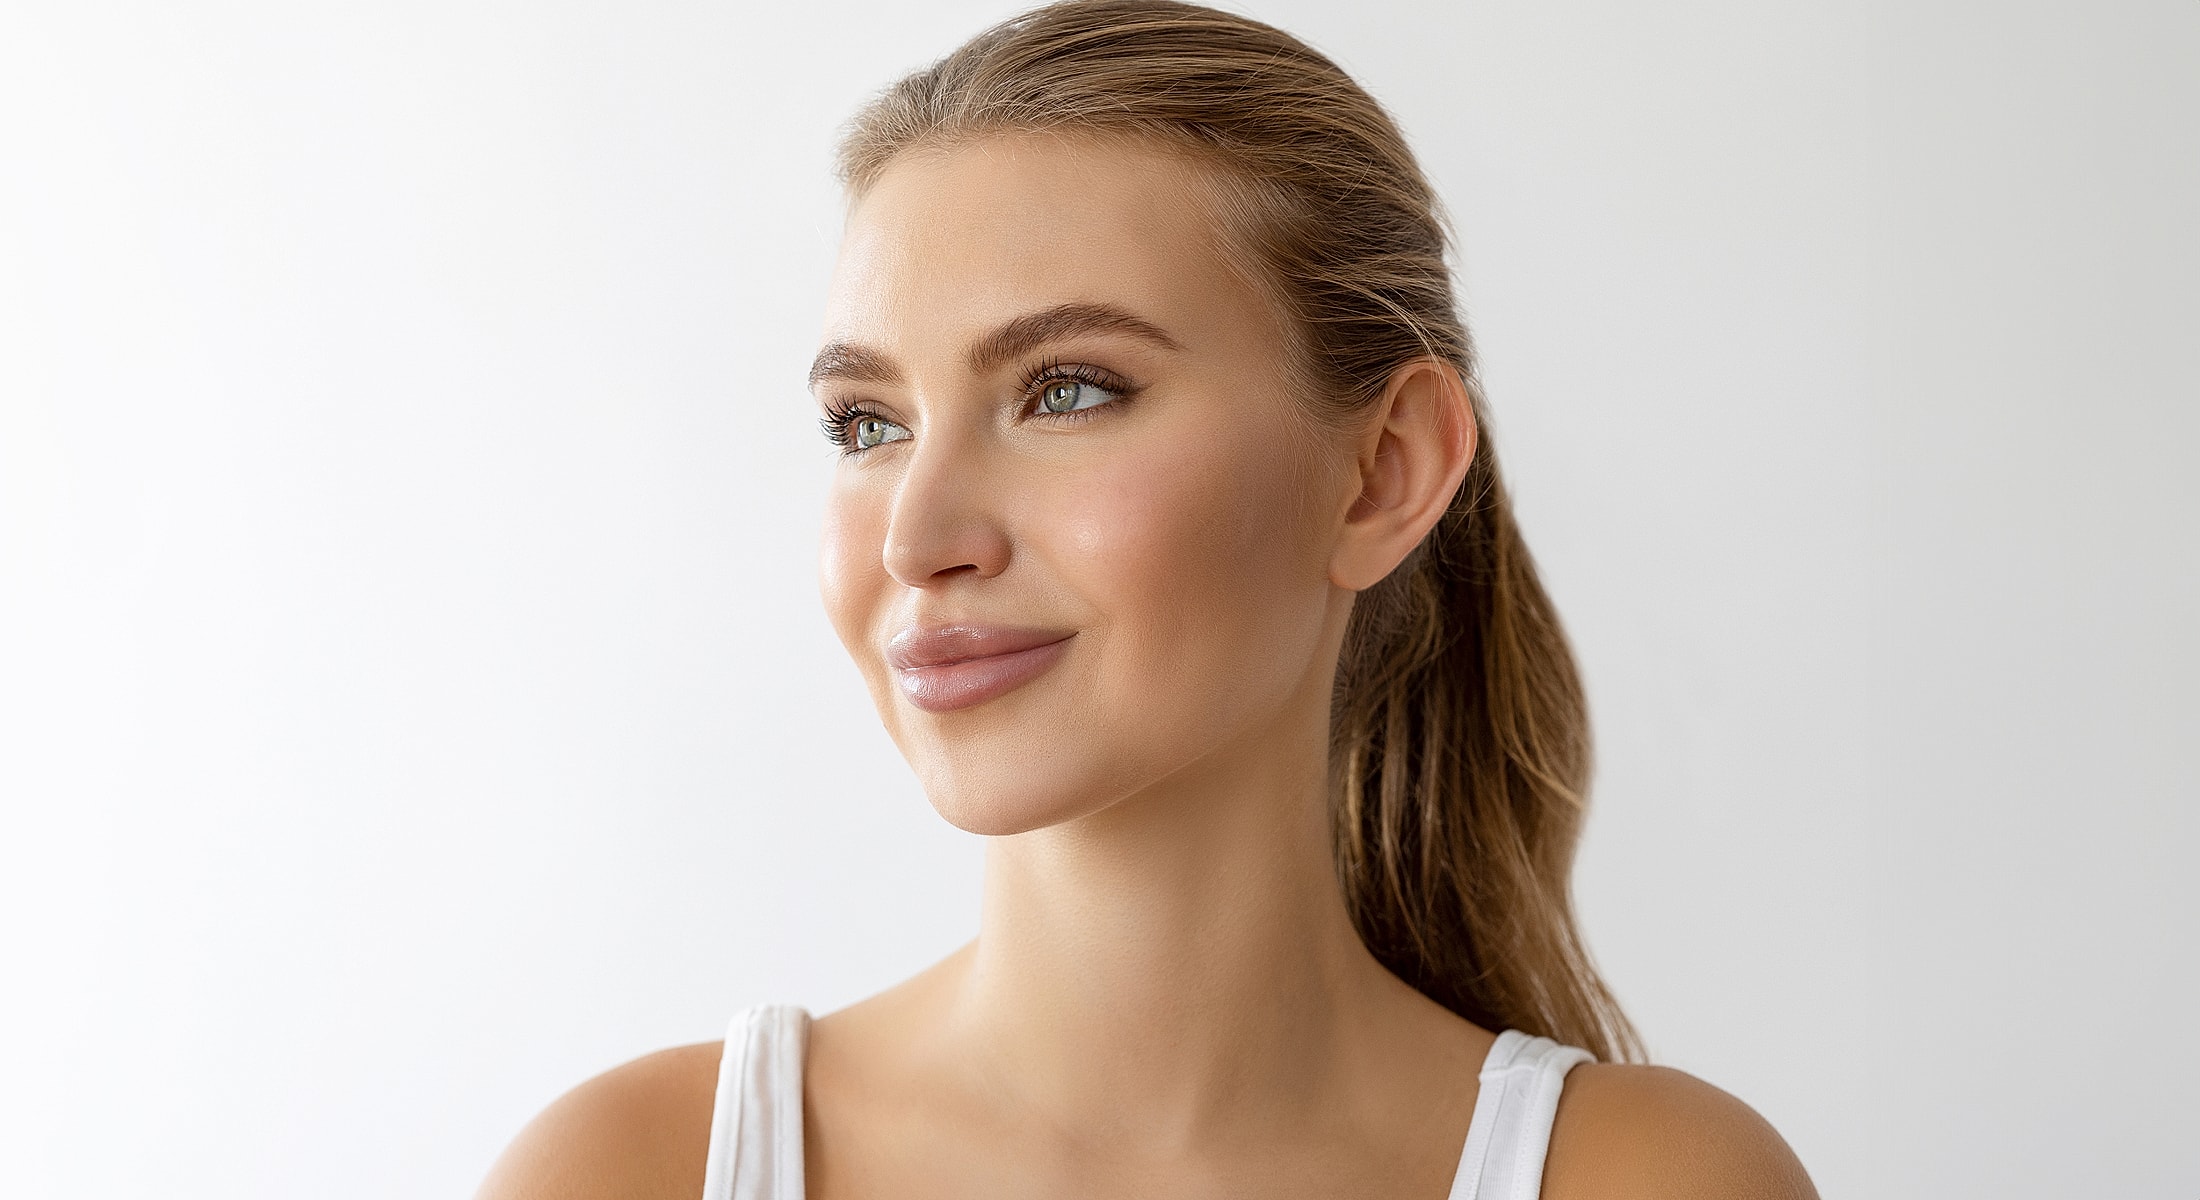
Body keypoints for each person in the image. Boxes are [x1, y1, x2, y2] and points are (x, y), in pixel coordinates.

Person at [478, 2, 1818, 1196]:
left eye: (1068, 391)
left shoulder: (1652, 1181)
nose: (919, 536)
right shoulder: (626, 1175)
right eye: (865, 422)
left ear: (1382, 474)